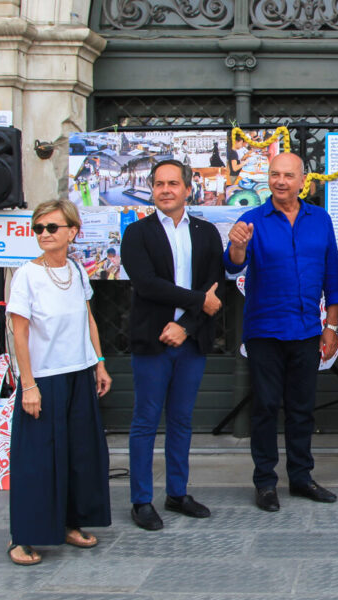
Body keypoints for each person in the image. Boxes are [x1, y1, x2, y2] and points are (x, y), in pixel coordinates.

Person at [224, 152, 338, 511]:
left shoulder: (319, 219)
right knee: (264, 407)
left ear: (302, 180)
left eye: (288, 175)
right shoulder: (251, 220)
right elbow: (232, 267)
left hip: (307, 330)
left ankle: (302, 477)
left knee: (302, 409)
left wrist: (332, 325)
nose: (280, 181)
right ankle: (265, 482)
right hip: (264, 331)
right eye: (275, 174)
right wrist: (237, 246)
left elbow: (332, 277)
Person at [6, 199, 112, 566]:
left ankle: (71, 523)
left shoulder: (77, 270)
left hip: (79, 372)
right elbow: (18, 334)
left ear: (72, 231)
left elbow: (88, 319)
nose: (44, 234)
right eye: (38, 228)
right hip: (44, 379)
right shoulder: (27, 275)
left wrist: (98, 363)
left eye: (52, 227)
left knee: (80, 453)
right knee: (36, 459)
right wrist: (28, 385)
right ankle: (23, 536)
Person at [120, 160, 225, 531]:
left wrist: (186, 325)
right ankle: (141, 500)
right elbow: (147, 284)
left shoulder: (208, 233)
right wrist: (197, 300)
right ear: (152, 189)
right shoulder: (137, 233)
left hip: (191, 340)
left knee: (181, 420)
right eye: (159, 184)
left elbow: (215, 291)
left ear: (187, 188)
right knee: (145, 421)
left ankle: (177, 493)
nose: (166, 189)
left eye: (173, 183)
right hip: (152, 341)